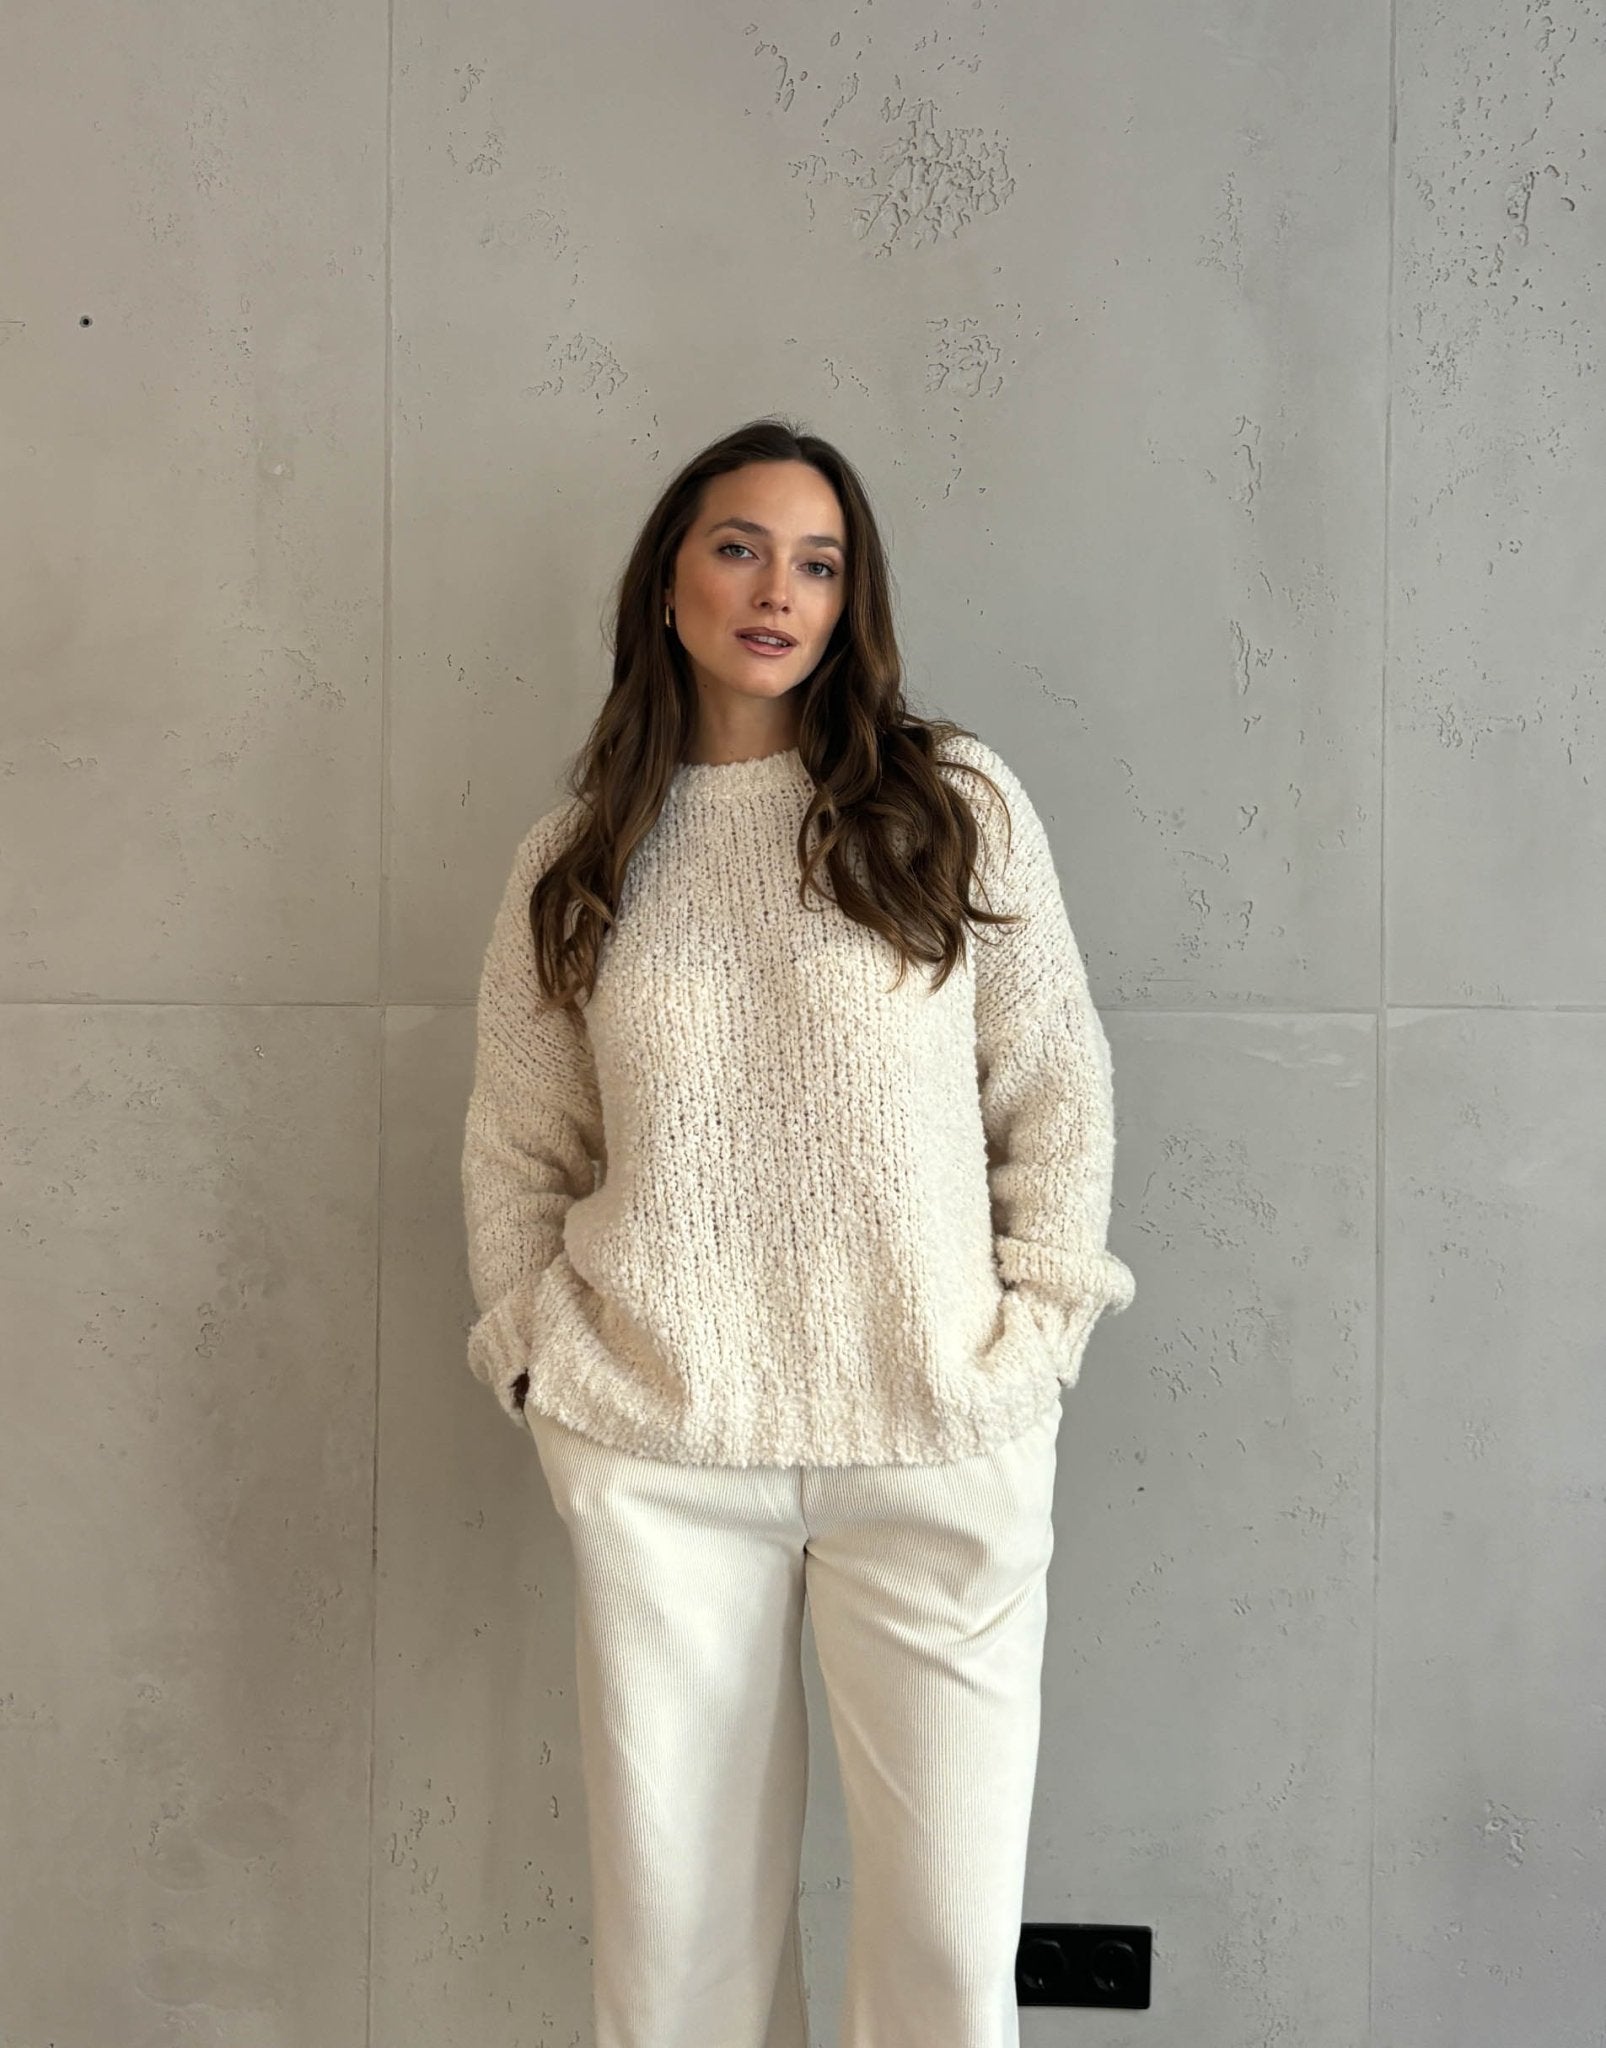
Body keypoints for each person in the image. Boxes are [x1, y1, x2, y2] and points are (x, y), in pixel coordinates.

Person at [460, 416, 1137, 2048]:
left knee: (951, 1962)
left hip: (935, 1437)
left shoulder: (948, 800)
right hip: (662, 1452)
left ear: (853, 601)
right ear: (669, 582)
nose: (779, 589)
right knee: (673, 1962)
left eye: (819, 561)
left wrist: (1033, 1341)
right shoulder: (579, 855)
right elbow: (517, 1146)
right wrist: (536, 1372)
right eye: (739, 546)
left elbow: (1053, 1083)